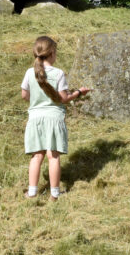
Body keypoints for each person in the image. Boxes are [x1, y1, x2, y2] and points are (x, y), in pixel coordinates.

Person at [21, 35, 90, 198]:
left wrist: (37, 100)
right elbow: (63, 99)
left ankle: (32, 192)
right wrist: (79, 93)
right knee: (53, 156)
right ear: (51, 53)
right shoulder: (58, 73)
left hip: (35, 118)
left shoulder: (30, 72)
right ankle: (55, 193)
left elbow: (24, 95)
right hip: (54, 119)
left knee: (37, 156)